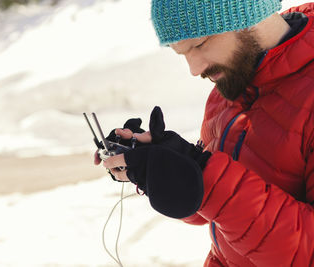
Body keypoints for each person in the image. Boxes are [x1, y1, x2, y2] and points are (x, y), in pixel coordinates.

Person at [95, 0, 314, 266]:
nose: (194, 69)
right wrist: (168, 166)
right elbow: (217, 213)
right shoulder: (229, 88)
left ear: (245, 14)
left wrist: (206, 174)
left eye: (199, 44)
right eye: (181, 53)